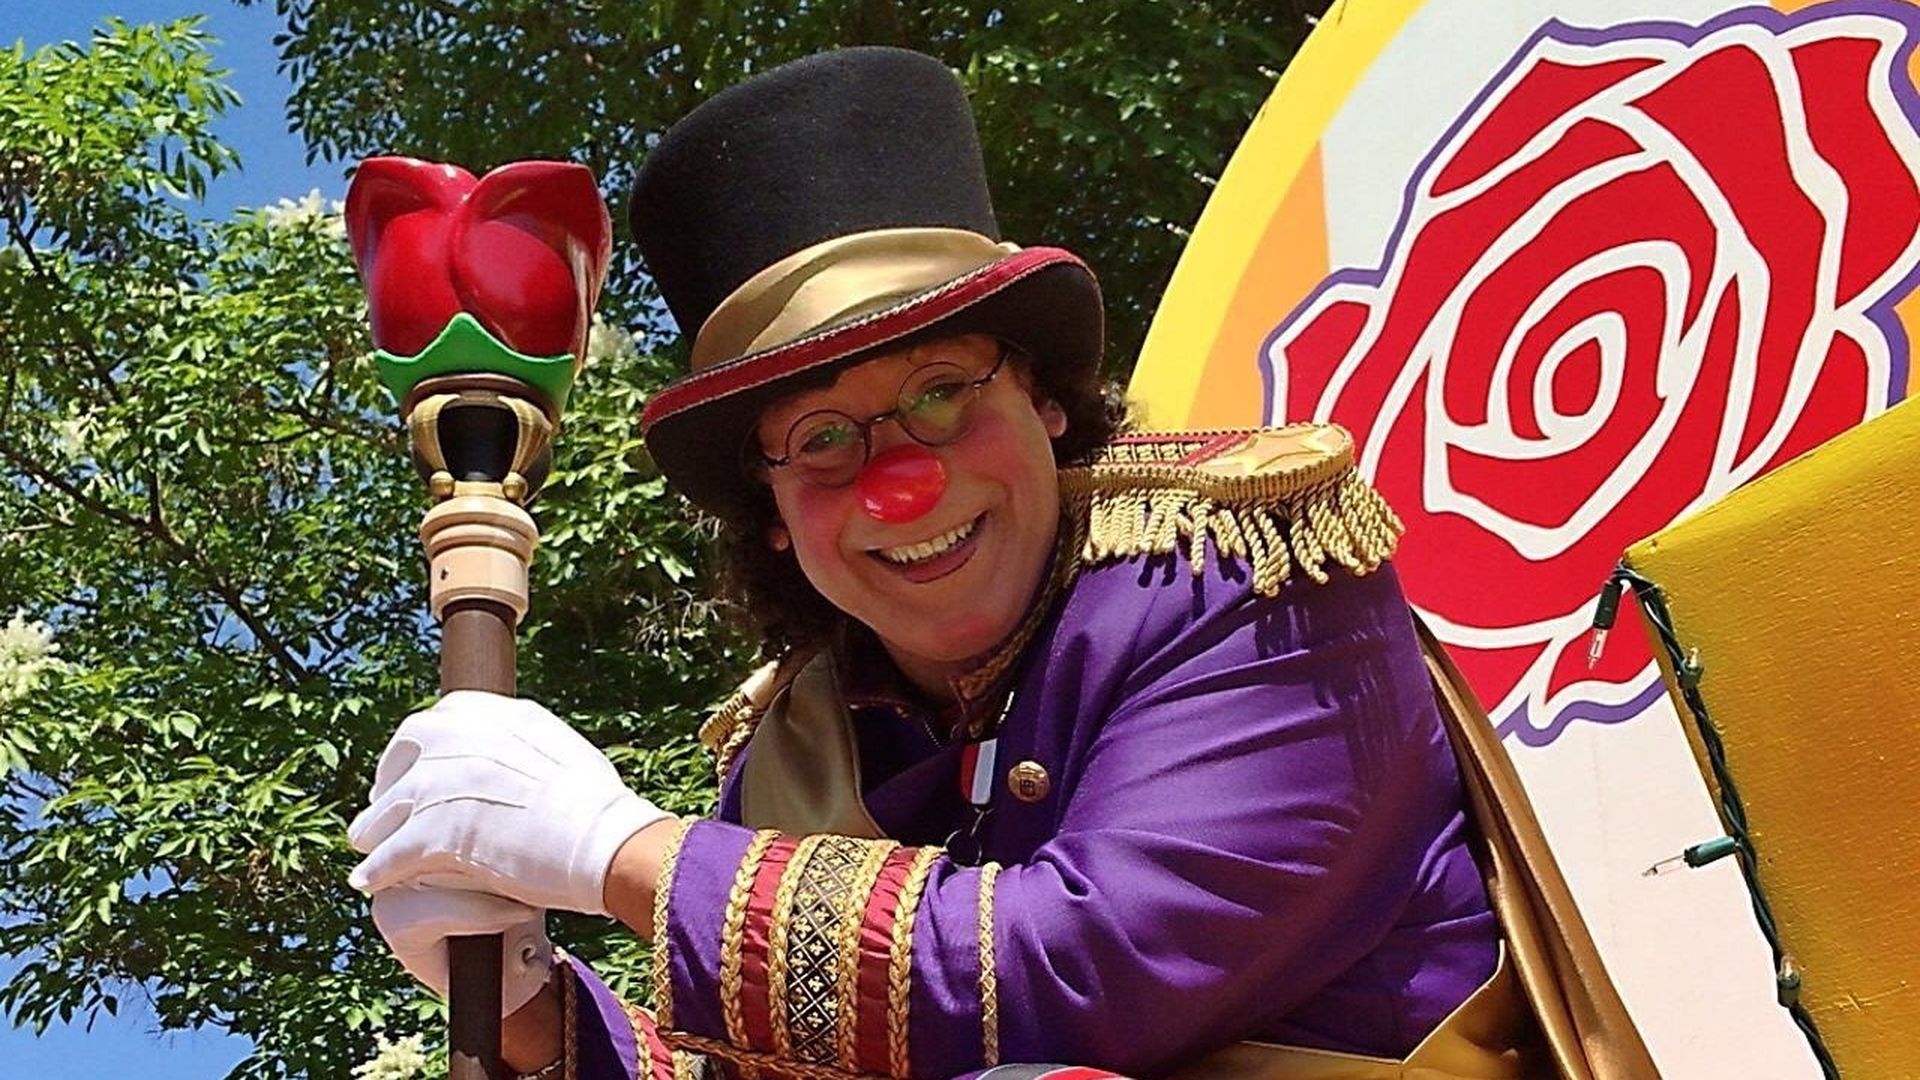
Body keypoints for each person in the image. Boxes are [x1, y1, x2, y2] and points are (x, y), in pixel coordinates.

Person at [347, 47, 1656, 1080]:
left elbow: (1094, 966)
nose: (901, 480)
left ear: (1042, 399)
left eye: (942, 391)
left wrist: (623, 856)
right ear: (773, 511)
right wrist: (526, 1009)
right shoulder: (792, 748)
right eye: (822, 438)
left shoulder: (1250, 573)